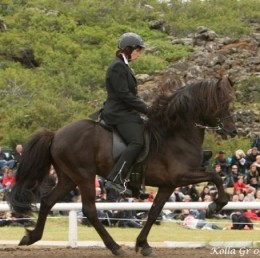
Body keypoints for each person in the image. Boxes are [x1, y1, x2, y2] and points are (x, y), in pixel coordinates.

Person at [101, 32, 149, 196]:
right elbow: (124, 95)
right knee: (137, 142)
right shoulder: (117, 67)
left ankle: (134, 183)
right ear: (129, 49)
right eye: (137, 50)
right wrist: (146, 109)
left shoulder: (124, 65)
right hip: (118, 113)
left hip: (126, 111)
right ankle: (115, 179)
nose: (138, 54)